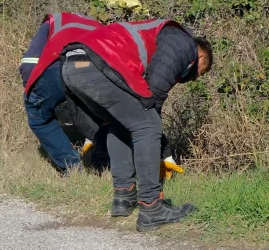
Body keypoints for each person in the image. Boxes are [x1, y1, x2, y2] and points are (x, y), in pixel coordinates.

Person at [27, 18, 212, 231]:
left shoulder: (160, 33)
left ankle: (124, 196)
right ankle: (152, 207)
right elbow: (155, 90)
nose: (197, 77)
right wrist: (161, 146)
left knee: (119, 123)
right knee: (148, 125)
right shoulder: (183, 43)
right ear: (201, 55)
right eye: (202, 71)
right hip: (99, 62)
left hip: (72, 64)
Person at [20, 12, 103, 174]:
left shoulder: (53, 21)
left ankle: (72, 167)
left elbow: (29, 63)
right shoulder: (96, 25)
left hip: (61, 66)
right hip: (97, 71)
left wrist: (31, 92)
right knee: (104, 116)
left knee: (39, 117)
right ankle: (103, 162)